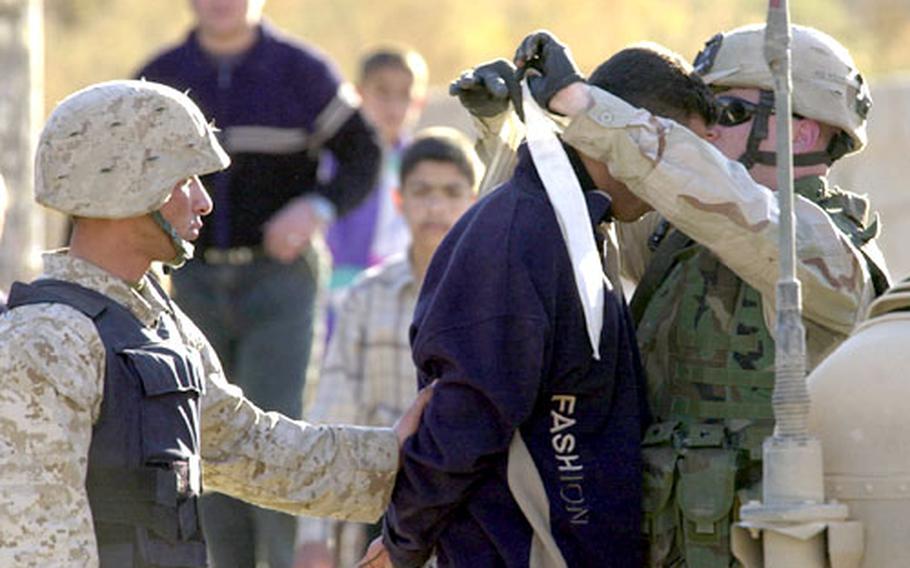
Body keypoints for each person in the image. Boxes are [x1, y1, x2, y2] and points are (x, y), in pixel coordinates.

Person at [458, 27, 889, 567]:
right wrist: (511, 126)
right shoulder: (680, 234)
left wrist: (586, 105)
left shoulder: (824, 253)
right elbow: (546, 224)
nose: (704, 131)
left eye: (727, 111)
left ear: (801, 133)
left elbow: (732, 207)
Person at [0, 80, 429, 568]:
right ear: (127, 185)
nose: (203, 201)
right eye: (184, 181)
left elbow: (246, 445)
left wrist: (396, 457)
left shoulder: (155, 322)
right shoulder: (43, 342)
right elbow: (33, 545)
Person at [355, 43, 732, 568]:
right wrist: (403, 542)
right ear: (621, 131)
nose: (674, 175)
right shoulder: (524, 232)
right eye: (668, 148)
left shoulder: (584, 226)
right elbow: (466, 415)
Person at [135, 1, 382, 565]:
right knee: (201, 438)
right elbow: (111, 176)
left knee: (275, 434)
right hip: (190, 282)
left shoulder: (302, 71)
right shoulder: (160, 77)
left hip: (280, 281)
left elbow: (362, 154)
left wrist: (316, 206)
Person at [299, 128, 480, 565]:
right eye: (422, 192)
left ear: (475, 202)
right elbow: (335, 408)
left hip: (469, 502)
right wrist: (313, 531)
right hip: (382, 501)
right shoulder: (368, 295)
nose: (436, 207)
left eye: (451, 192)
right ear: (399, 201)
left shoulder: (490, 297)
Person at [326, 46, 429, 291]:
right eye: (382, 93)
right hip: (339, 290)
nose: (394, 106)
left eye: (405, 95)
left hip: (402, 289)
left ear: (419, 101)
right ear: (358, 94)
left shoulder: (421, 162)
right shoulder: (334, 158)